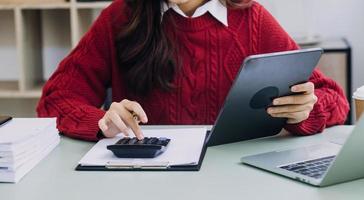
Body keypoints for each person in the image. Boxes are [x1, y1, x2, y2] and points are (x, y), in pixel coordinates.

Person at [37, 0, 349, 141]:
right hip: (143, 180)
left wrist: (305, 110)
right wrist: (101, 120)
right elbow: (55, 99)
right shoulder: (121, 16)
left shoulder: (252, 19)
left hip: (234, 182)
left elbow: (334, 98)